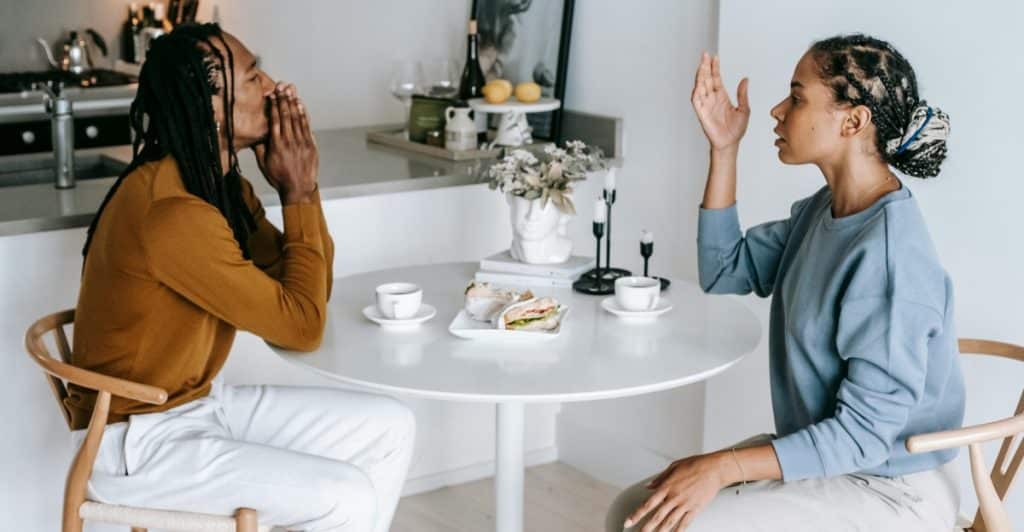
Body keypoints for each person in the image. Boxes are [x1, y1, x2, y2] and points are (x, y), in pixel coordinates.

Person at [606, 34, 964, 531]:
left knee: (665, 526)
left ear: (853, 120)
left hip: (890, 486)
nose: (777, 111)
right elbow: (725, 268)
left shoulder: (889, 257)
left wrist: (721, 466)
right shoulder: (826, 211)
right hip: (834, 464)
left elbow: (863, 438)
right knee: (635, 511)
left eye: (797, 98)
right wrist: (724, 150)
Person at [67, 23, 414, 532]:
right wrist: (298, 193)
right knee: (346, 497)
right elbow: (304, 327)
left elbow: (306, 294)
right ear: (209, 106)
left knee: (391, 426)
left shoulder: (217, 186)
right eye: (253, 78)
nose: (274, 86)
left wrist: (300, 190)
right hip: (134, 440)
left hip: (195, 407)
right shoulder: (175, 214)